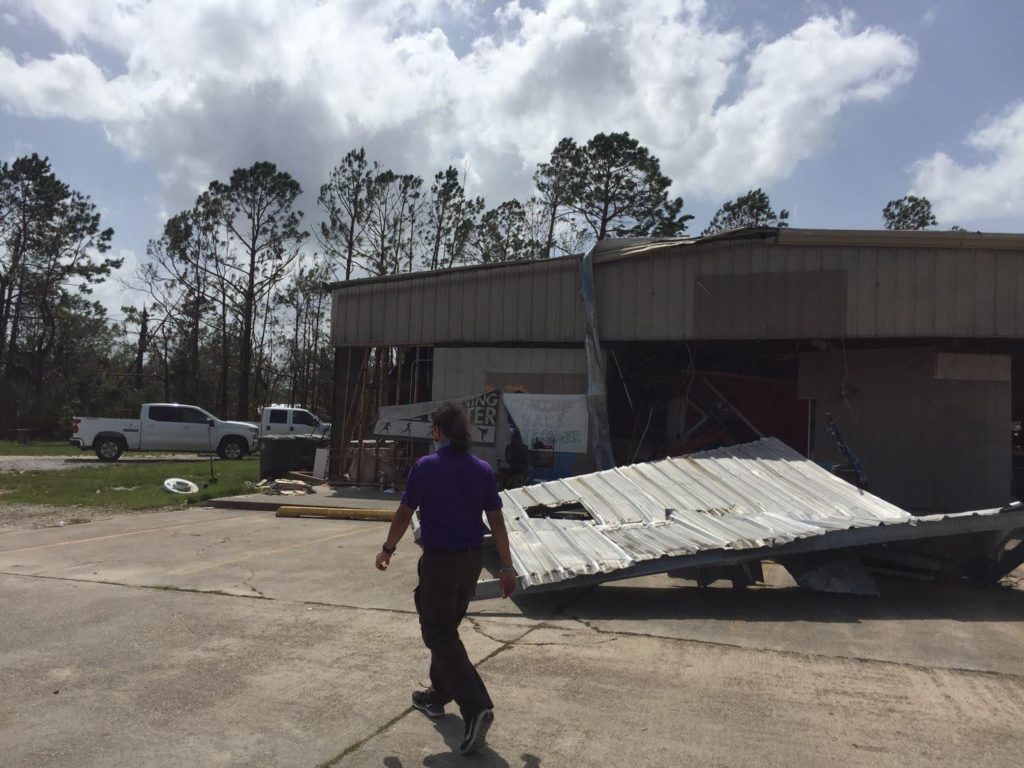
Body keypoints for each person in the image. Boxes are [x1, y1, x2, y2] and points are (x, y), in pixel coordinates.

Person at [375, 400, 518, 755]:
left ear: (438, 432)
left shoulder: (426, 467)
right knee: (446, 632)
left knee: (437, 633)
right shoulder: (482, 469)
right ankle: (437, 696)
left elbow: (404, 514)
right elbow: (497, 522)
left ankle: (476, 707)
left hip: (440, 564)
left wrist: (387, 550)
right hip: (471, 564)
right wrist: (507, 566)